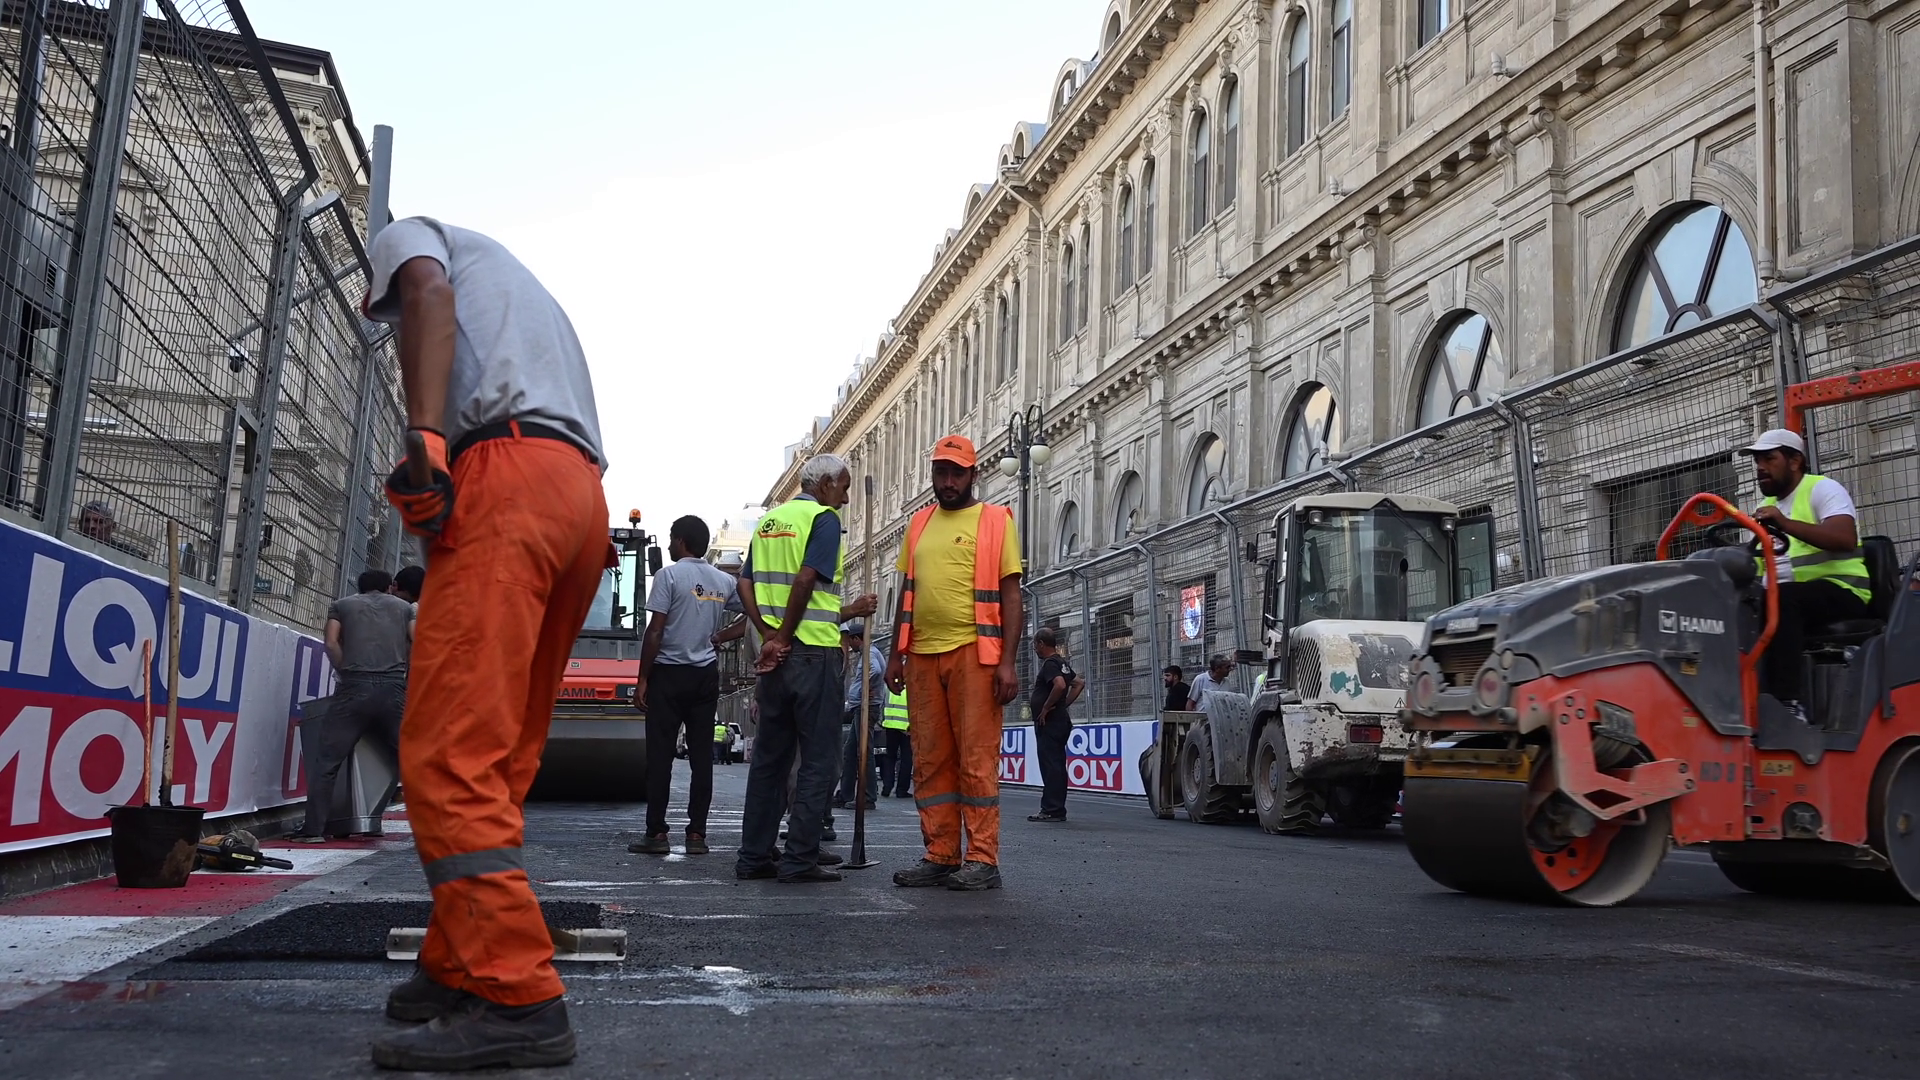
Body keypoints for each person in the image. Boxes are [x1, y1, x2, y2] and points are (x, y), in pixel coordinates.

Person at [362, 216, 609, 1070]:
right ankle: (455, 960)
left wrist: (424, 438)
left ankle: (516, 994)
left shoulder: (414, 235)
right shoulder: (521, 293)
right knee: (501, 756)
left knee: (448, 752)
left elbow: (427, 294)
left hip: (505, 479)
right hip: (576, 493)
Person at [885, 434, 1024, 892]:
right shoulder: (918, 524)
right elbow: (906, 594)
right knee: (930, 761)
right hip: (923, 656)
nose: (947, 482)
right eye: (941, 472)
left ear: (972, 474)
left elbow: (1011, 596)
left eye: (956, 474)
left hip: (974, 655)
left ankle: (982, 858)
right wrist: (896, 654)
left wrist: (1007, 662)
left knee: (976, 759)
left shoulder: (996, 521)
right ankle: (941, 853)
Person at [733, 454, 877, 884]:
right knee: (818, 760)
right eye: (844, 488)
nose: (846, 498)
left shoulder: (769, 522)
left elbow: (744, 583)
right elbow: (805, 580)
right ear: (826, 483)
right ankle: (799, 858)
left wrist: (768, 634)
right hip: (813, 653)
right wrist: (784, 636)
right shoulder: (823, 519)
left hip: (776, 661)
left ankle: (754, 856)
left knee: (770, 761)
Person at [1741, 429, 1872, 724]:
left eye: (1769, 459)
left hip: (1843, 590)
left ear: (1795, 461)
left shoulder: (1822, 489)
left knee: (1782, 599)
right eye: (1757, 461)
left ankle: (1789, 704)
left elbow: (1844, 538)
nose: (1760, 467)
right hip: (1791, 596)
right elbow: (1759, 568)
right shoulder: (1766, 509)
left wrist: (1785, 524)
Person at [629, 516, 740, 857]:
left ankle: (657, 833)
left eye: (670, 539)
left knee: (660, 757)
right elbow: (755, 613)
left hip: (668, 674)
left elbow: (655, 631)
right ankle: (696, 835)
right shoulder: (724, 581)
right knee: (702, 758)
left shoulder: (669, 576)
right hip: (705, 676)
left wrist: (642, 679)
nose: (667, 545)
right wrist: (723, 635)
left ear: (681, 541)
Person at [291, 568, 413, 843]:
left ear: (359, 586)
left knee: (327, 761)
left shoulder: (342, 605)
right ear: (389, 587)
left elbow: (331, 642)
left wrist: (344, 669)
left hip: (353, 687)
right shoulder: (404, 609)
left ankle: (313, 830)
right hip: (393, 688)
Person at [1027, 628, 1085, 823]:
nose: (1034, 649)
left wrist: (1046, 707)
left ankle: (1052, 809)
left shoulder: (1050, 664)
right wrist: (1063, 705)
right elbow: (1078, 683)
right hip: (1060, 719)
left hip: (1050, 722)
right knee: (1057, 764)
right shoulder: (1062, 663)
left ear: (1041, 644)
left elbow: (1060, 685)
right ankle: (1056, 807)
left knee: (1051, 765)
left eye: (1035, 645)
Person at [834, 621, 885, 811]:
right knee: (851, 752)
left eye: (850, 640)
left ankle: (868, 796)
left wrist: (866, 688)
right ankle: (846, 794)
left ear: (857, 638)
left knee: (863, 751)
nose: (849, 645)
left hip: (866, 707)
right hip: (863, 707)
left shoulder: (869, 653)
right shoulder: (872, 652)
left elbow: (875, 670)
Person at [879, 687, 912, 798]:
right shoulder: (912, 685)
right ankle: (901, 790)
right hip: (907, 728)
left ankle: (887, 787)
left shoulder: (889, 685)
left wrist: (881, 721)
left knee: (889, 757)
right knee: (906, 759)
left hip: (890, 725)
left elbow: (882, 703)